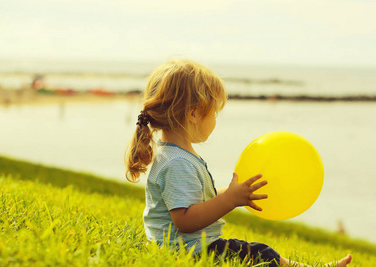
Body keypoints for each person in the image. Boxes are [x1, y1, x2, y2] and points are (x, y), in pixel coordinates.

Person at [125, 59, 352, 267]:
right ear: (193, 114)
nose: (215, 120)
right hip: (188, 252)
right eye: (213, 112)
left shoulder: (174, 155)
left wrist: (237, 192)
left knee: (259, 252)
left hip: (188, 247)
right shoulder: (177, 163)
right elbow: (185, 220)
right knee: (261, 255)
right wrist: (230, 200)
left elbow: (197, 200)